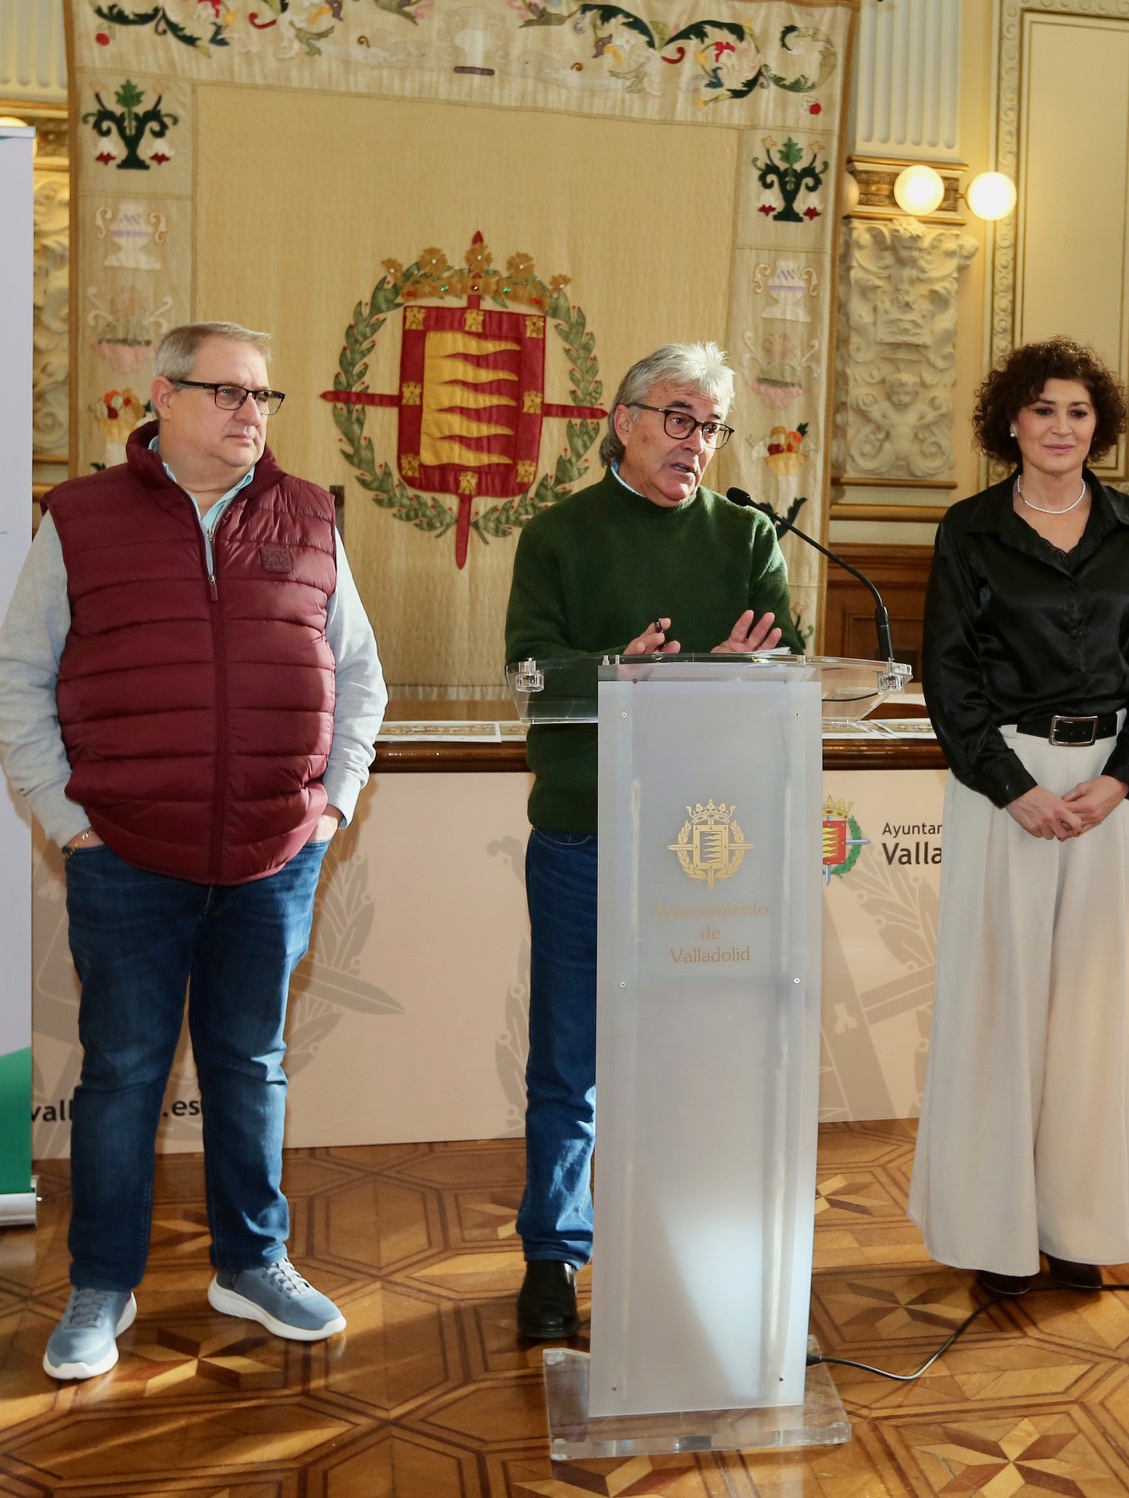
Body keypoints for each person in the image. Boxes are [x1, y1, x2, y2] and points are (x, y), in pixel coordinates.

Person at [0, 321, 389, 1381]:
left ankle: (250, 1264)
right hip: (126, 852)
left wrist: (330, 807)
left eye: (264, 395)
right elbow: (13, 678)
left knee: (250, 1067)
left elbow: (359, 676)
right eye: (228, 392)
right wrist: (65, 818)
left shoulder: (309, 517)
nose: (252, 412)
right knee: (120, 1074)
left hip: (273, 852)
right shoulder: (80, 521)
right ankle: (100, 1287)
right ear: (159, 397)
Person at [500, 341, 799, 1341]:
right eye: (677, 418)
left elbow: (783, 665)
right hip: (587, 835)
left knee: (700, 1056)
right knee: (568, 1062)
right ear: (622, 420)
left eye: (710, 426)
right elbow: (529, 675)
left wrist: (720, 676)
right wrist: (616, 673)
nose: (695, 442)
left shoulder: (747, 536)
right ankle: (552, 1257)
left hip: (706, 843)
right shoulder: (557, 535)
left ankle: (691, 1240)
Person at [913, 337, 1129, 1295]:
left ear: (1096, 425)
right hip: (1007, 789)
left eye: (1076, 411)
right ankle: (995, 1238)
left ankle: (1079, 1229)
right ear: (1010, 426)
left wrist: (1118, 780)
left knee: (1095, 1019)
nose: (1060, 427)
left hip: (1107, 793)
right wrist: (1012, 785)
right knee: (1002, 1015)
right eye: (1042, 410)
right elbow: (947, 675)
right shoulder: (969, 531)